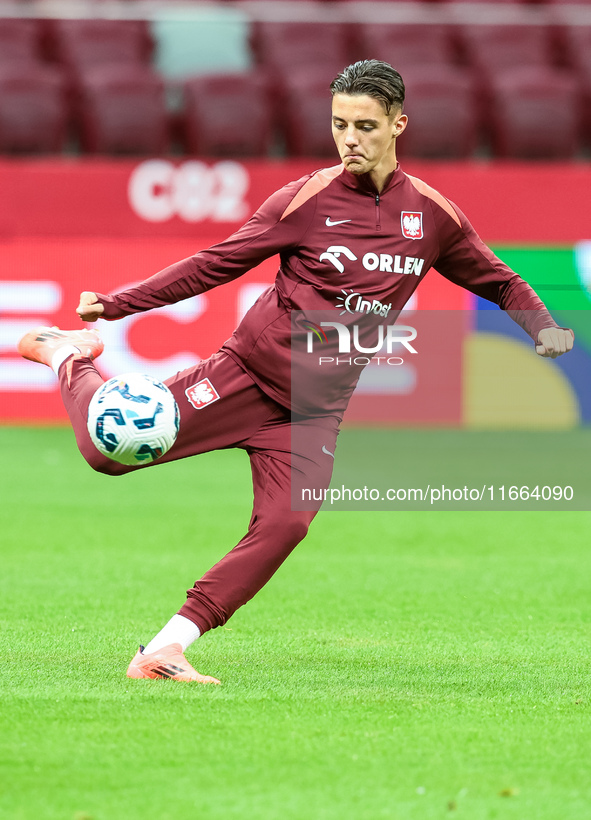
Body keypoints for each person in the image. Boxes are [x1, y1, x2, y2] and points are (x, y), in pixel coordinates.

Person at [18, 60, 574, 684]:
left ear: (398, 125)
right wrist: (120, 304)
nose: (350, 139)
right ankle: (66, 353)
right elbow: (215, 264)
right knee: (109, 453)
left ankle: (165, 649)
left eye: (365, 125)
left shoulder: (431, 216)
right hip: (245, 377)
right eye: (339, 124)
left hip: (313, 410)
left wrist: (543, 327)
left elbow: (497, 278)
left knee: (286, 524)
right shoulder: (305, 200)